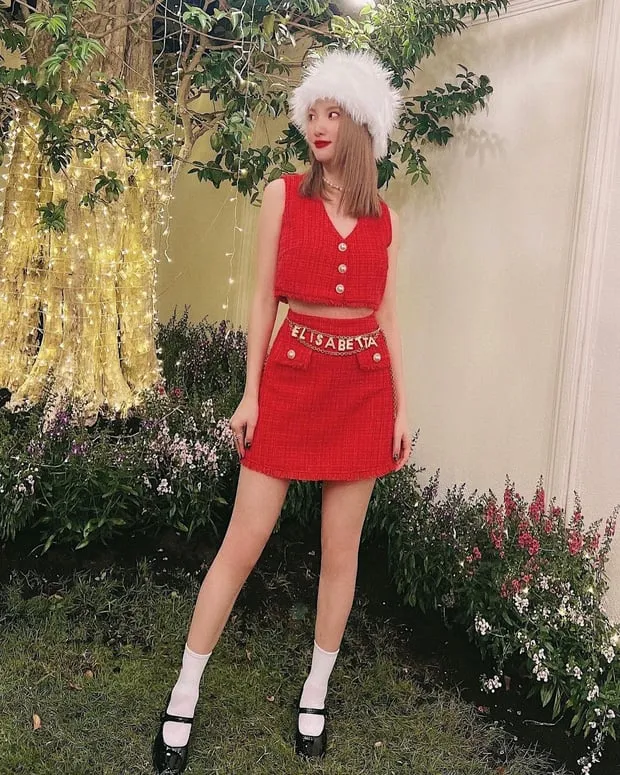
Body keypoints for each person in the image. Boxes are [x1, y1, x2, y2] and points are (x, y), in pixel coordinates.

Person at [152, 48, 412, 774]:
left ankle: (315, 692)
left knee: (340, 552)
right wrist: (251, 391)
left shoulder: (385, 219)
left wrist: (401, 407)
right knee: (245, 539)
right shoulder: (281, 196)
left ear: (360, 126)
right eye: (312, 114)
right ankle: (184, 691)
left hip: (363, 385)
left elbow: (388, 314)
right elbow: (263, 298)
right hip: (293, 378)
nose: (318, 126)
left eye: (333, 114)